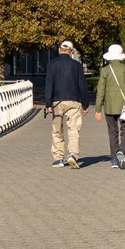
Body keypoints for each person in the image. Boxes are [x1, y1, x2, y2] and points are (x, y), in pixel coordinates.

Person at [43, 40, 91, 168]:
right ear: (71, 52)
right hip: (74, 101)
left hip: (57, 101)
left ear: (59, 50)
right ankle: (73, 155)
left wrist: (48, 104)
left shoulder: (52, 64)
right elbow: (82, 86)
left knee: (57, 131)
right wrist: (85, 104)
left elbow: (49, 84)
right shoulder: (77, 65)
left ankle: (58, 158)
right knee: (74, 129)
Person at [94, 44, 125, 169]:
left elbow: (101, 90)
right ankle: (122, 151)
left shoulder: (105, 70)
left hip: (109, 107)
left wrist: (98, 109)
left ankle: (114, 159)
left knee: (112, 132)